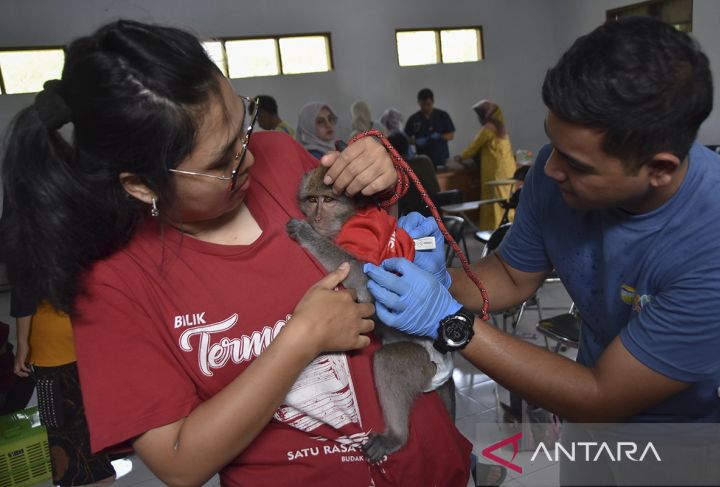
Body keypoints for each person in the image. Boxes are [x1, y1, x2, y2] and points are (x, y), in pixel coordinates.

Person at [0, 20, 471, 487]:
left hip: (432, 465)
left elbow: (370, 225)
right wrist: (299, 340)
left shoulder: (281, 157)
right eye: (221, 161)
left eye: (242, 128)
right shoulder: (113, 282)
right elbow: (179, 463)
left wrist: (385, 175)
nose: (248, 159)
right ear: (142, 185)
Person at [365, 15, 720, 429]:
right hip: (587, 417)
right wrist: (443, 282)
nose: (551, 168)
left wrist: (448, 320)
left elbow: (600, 394)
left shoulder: (718, 248)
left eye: (576, 164)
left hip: (681, 435)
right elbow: (512, 275)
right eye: (550, 142)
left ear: (658, 169)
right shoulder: (556, 172)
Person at [11, 288, 115, 486]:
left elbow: (24, 295)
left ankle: (88, 478)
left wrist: (22, 342)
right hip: (82, 330)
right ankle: (99, 470)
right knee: (85, 410)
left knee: (59, 419)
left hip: (51, 344)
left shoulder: (26, 256)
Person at [456, 100, 517, 230]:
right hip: (507, 168)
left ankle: (495, 230)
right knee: (505, 199)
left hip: (496, 170)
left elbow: (474, 146)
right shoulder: (500, 126)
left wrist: (461, 157)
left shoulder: (488, 128)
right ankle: (508, 227)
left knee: (495, 201)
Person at [387, 131, 440, 218]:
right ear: (408, 147)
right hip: (435, 216)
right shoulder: (425, 161)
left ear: (389, 150)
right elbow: (436, 190)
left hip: (411, 221)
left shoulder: (395, 170)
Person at [404, 88, 455, 169]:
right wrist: (415, 141)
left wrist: (440, 136)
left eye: (428, 104)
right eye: (423, 105)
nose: (426, 107)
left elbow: (451, 135)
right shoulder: (413, 119)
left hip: (441, 159)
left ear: (433, 101)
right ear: (418, 102)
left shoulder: (443, 115)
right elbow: (405, 139)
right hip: (422, 160)